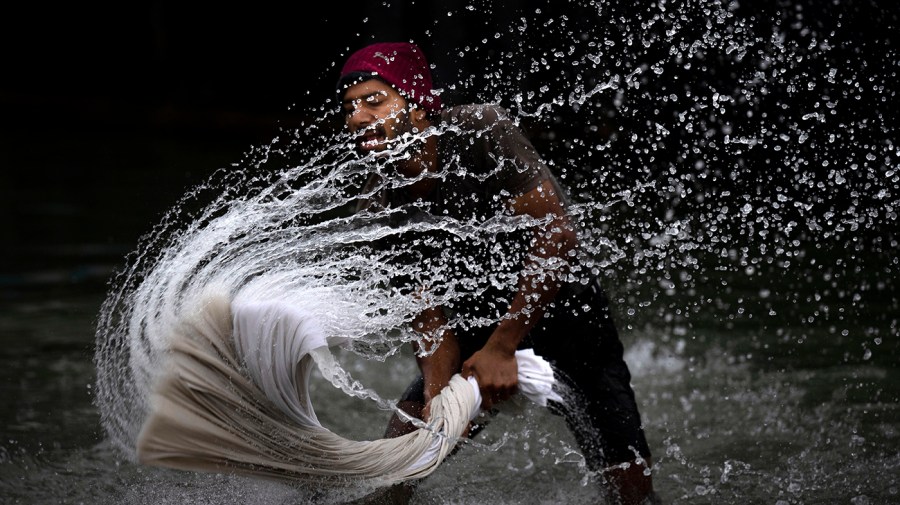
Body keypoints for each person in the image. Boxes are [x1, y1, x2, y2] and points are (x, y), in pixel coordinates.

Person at [336, 42, 660, 505]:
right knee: (394, 476)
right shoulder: (380, 200)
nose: (358, 117)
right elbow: (428, 318)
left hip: (565, 316)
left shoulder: (478, 130)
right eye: (349, 108)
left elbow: (556, 234)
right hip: (473, 333)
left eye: (375, 100)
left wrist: (503, 346)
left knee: (631, 494)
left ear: (418, 103)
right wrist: (437, 400)